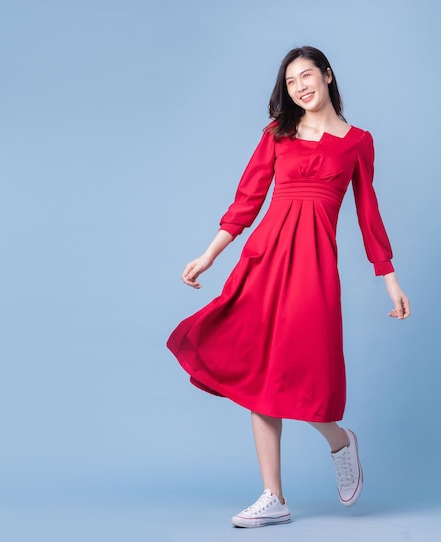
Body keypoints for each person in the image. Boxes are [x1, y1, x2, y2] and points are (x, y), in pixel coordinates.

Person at [167, 46, 410, 528]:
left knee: (303, 372)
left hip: (313, 268)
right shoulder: (277, 135)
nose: (300, 85)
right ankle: (273, 496)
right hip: (265, 260)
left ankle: (340, 441)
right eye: (292, 80)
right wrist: (210, 254)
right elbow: (248, 198)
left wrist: (390, 278)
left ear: (327, 75)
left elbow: (368, 215)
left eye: (307, 75)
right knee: (258, 372)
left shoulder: (358, 142)